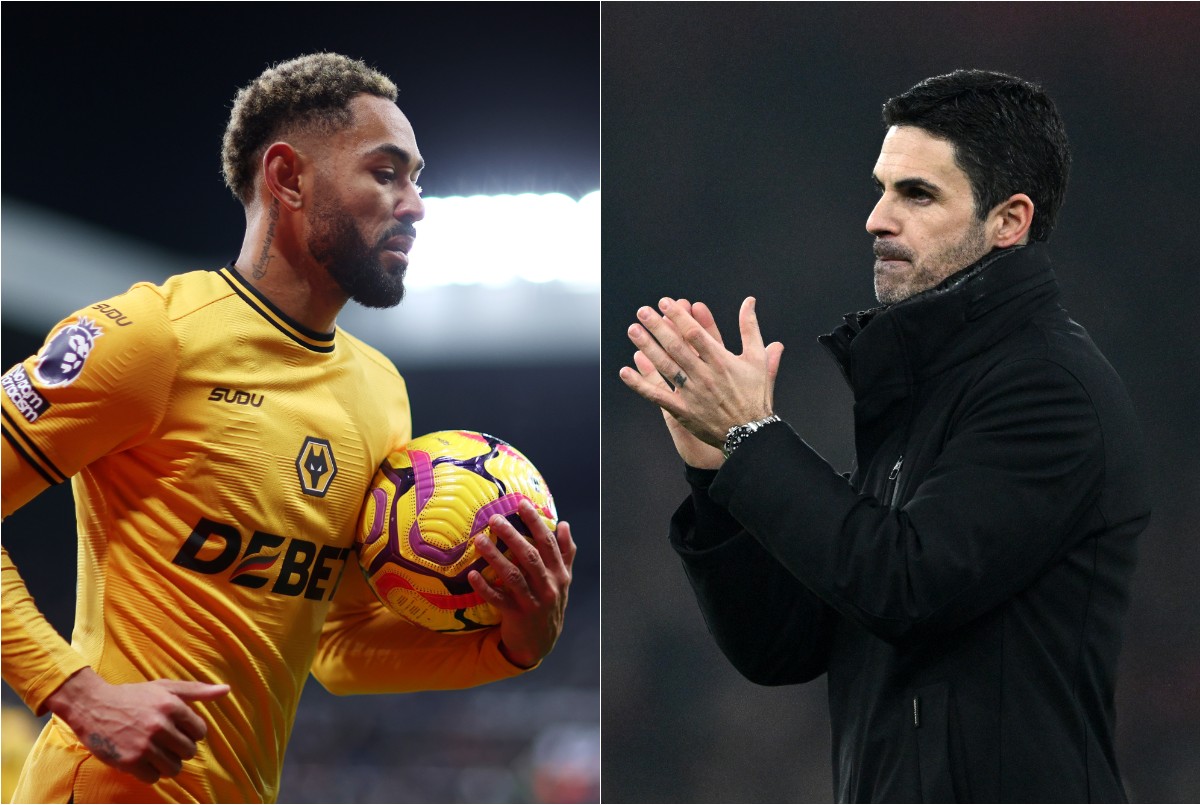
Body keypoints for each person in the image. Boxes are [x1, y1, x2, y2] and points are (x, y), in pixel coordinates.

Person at [1, 53, 575, 803]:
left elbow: (335, 644)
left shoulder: (379, 394)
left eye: (419, 179)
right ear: (288, 177)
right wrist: (79, 694)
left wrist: (509, 644)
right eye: (386, 173)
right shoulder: (152, 338)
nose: (416, 205)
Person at [620, 69, 1149, 802]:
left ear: (1009, 220)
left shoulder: (1050, 388)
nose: (876, 217)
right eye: (882, 187)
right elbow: (784, 643)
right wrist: (716, 477)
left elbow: (904, 584)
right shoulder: (923, 392)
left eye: (917, 194)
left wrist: (753, 436)